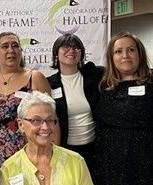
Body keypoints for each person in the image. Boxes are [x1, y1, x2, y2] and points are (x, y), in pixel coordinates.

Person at [0, 32, 57, 184]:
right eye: (5, 46)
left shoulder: (35, 78)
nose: (11, 50)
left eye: (15, 46)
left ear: (21, 51)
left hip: (28, 163)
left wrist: (51, 162)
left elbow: (52, 122)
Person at [93, 31, 153, 185]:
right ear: (111, 58)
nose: (125, 55)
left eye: (131, 50)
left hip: (150, 165)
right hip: (109, 165)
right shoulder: (102, 86)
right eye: (118, 51)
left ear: (139, 54)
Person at [0, 91, 93, 185]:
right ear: (21, 125)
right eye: (36, 120)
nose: (45, 127)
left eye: (50, 120)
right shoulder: (9, 168)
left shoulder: (76, 162)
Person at [46, 34, 102, 169]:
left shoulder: (94, 75)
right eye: (66, 47)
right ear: (56, 53)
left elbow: (122, 72)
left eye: (76, 47)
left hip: (95, 149)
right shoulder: (49, 83)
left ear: (81, 54)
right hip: (66, 150)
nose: (72, 50)